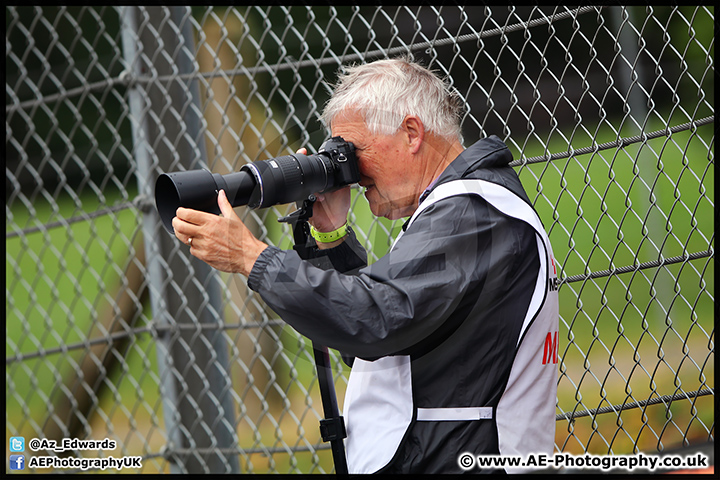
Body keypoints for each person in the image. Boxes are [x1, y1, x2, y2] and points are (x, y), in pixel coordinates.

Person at [171, 57, 559, 474]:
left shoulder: (473, 215)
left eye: (355, 150)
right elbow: (383, 344)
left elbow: (375, 320)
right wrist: (331, 238)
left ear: (411, 133)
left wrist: (251, 257)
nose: (351, 173)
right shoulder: (461, 210)